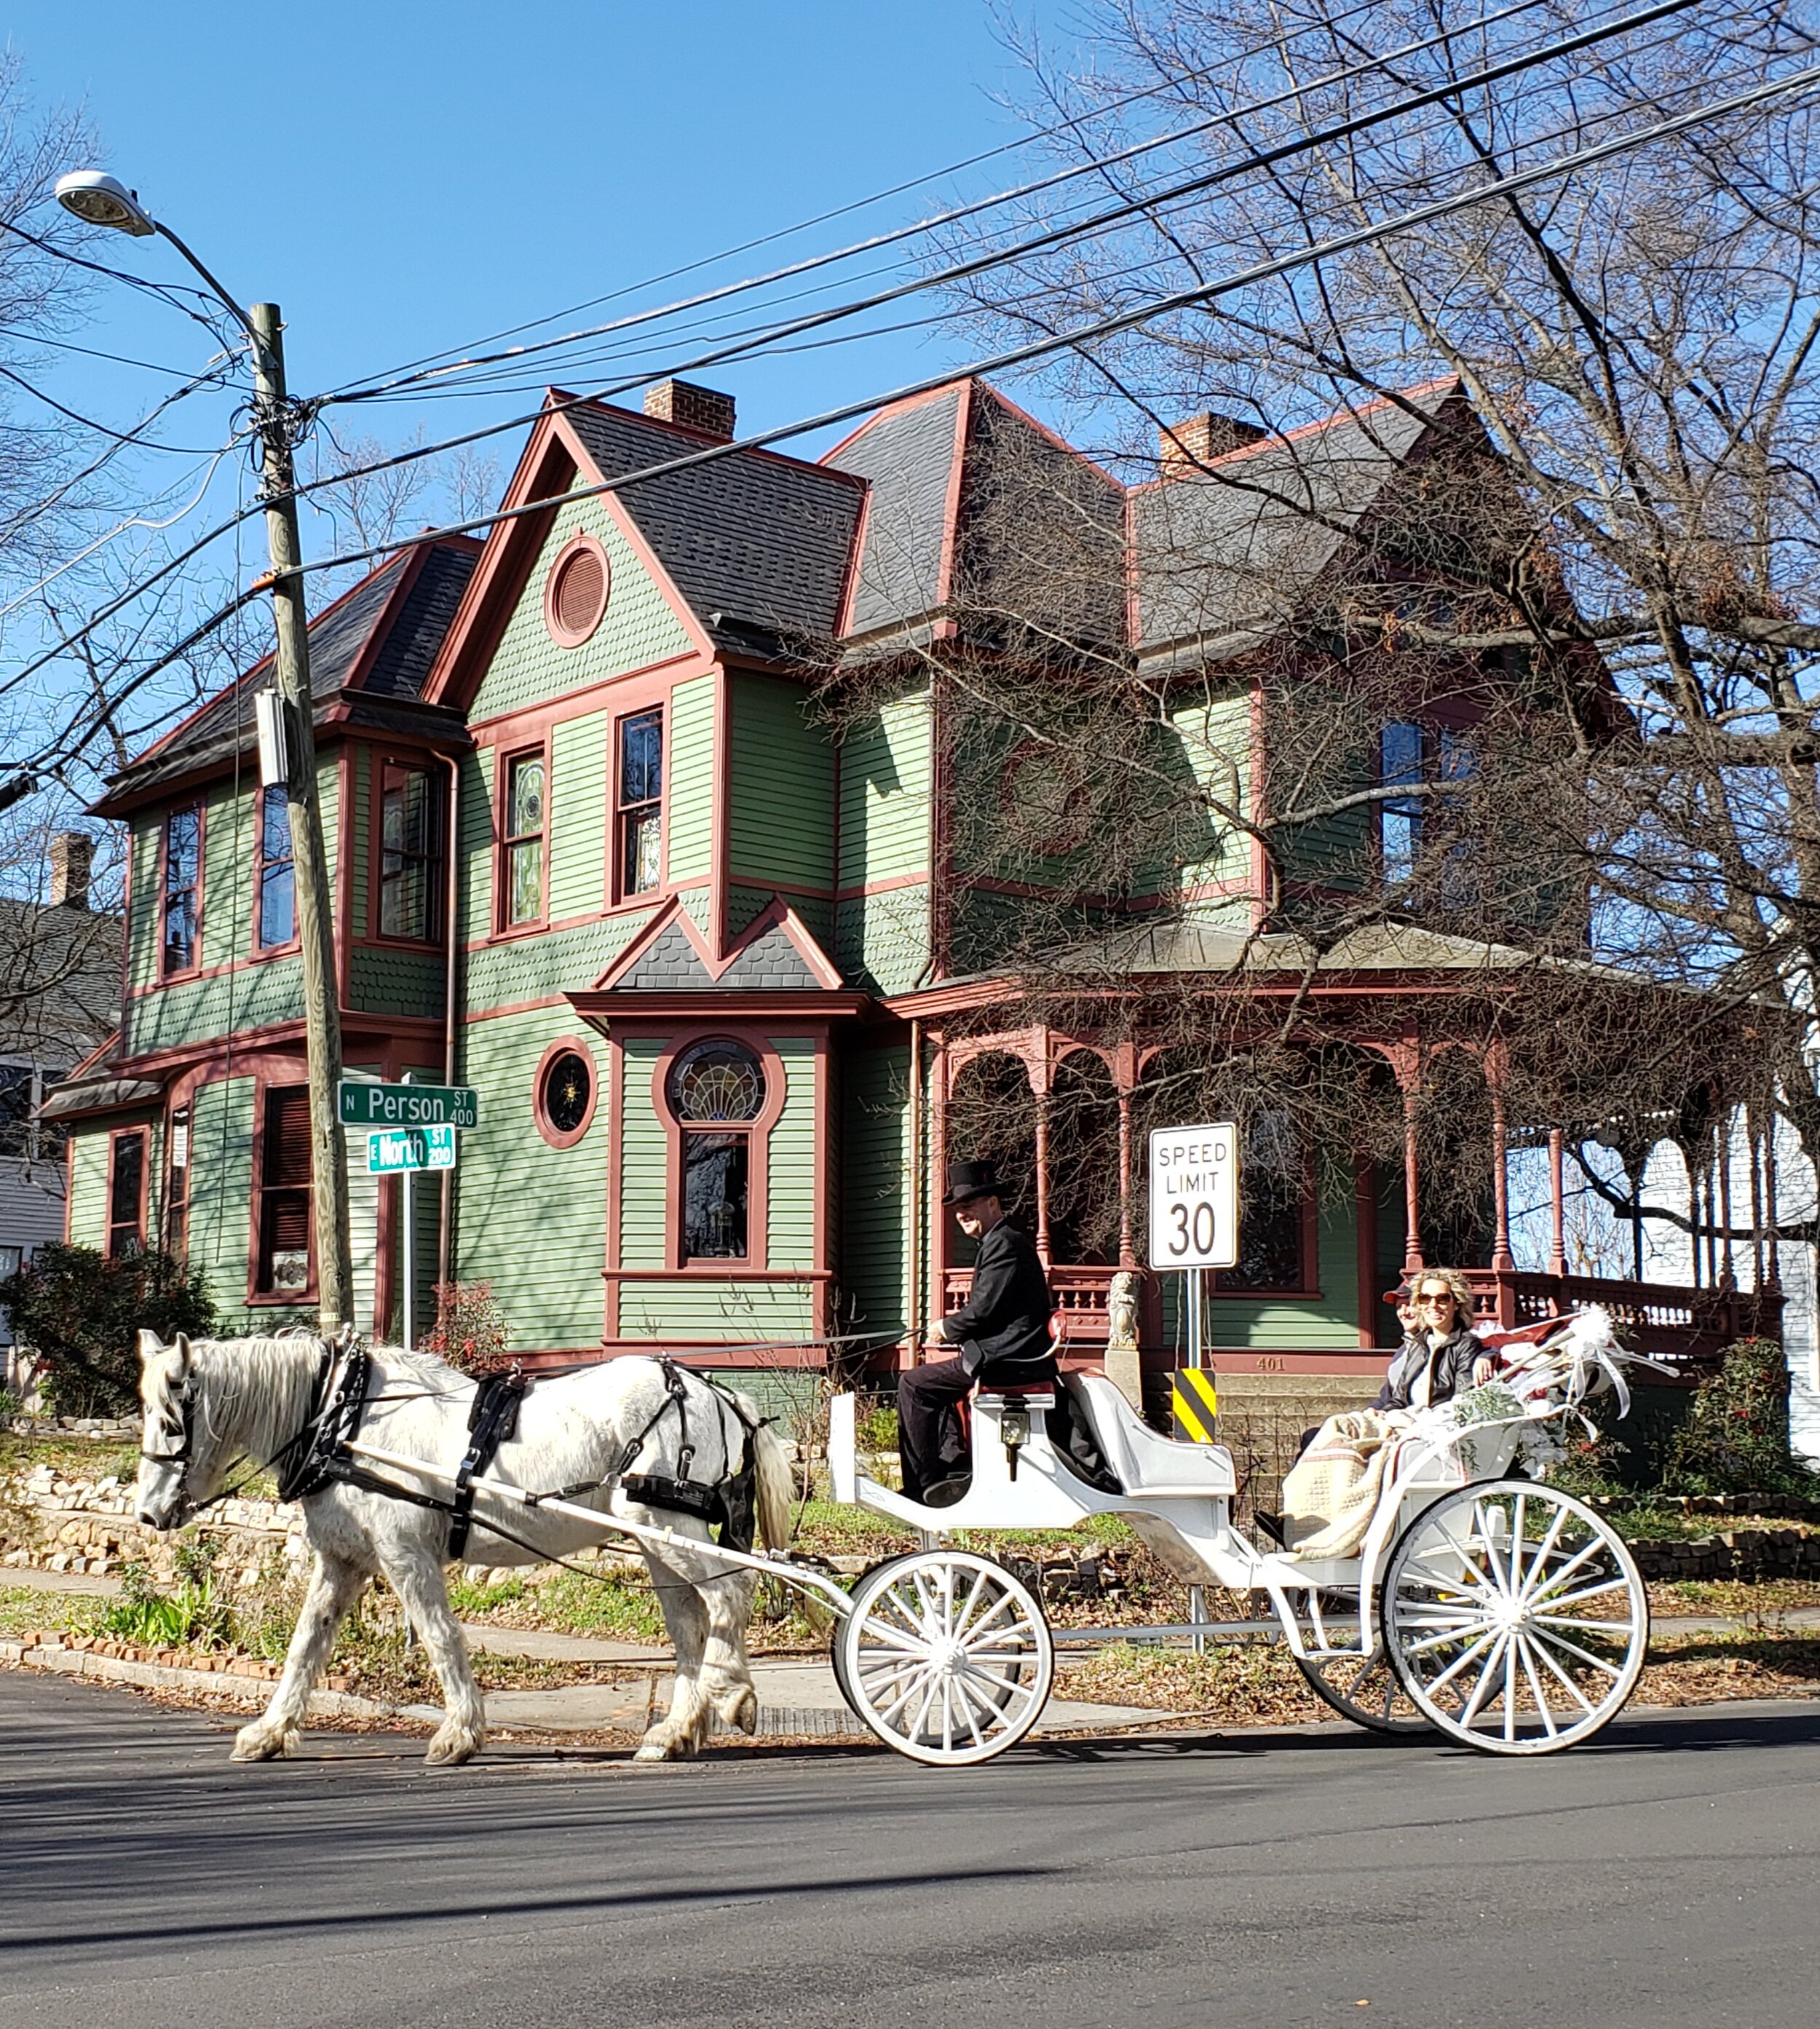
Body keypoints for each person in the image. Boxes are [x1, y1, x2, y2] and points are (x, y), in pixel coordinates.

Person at [896, 1159, 1057, 1506]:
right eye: (957, 1209)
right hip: (1006, 1353)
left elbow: (985, 1311)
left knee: (914, 1384)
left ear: (993, 1203)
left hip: (1009, 1359)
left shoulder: (1005, 1244)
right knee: (931, 1384)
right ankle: (952, 1469)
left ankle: (924, 1488)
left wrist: (944, 1328)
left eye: (968, 1206)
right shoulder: (998, 1242)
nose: (961, 1214)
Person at [1373, 1267, 1495, 1410]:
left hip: (1434, 1425)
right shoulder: (1418, 1345)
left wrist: (1488, 1355)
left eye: (1442, 1299)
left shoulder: (1466, 1345)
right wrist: (1378, 1413)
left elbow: (1461, 1403)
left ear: (1457, 1303)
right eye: (1425, 1298)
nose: (1432, 1305)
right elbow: (1398, 1401)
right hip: (1402, 1418)